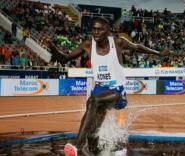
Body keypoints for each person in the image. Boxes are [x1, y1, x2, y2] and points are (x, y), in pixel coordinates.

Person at [49, 17, 168, 156]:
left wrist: (158, 53)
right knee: (92, 133)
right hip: (99, 89)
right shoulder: (88, 45)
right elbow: (64, 59)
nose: (96, 32)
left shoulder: (117, 42)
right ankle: (94, 149)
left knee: (92, 101)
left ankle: (77, 144)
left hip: (117, 91)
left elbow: (137, 47)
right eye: (94, 29)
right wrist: (53, 49)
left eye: (100, 29)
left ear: (107, 30)